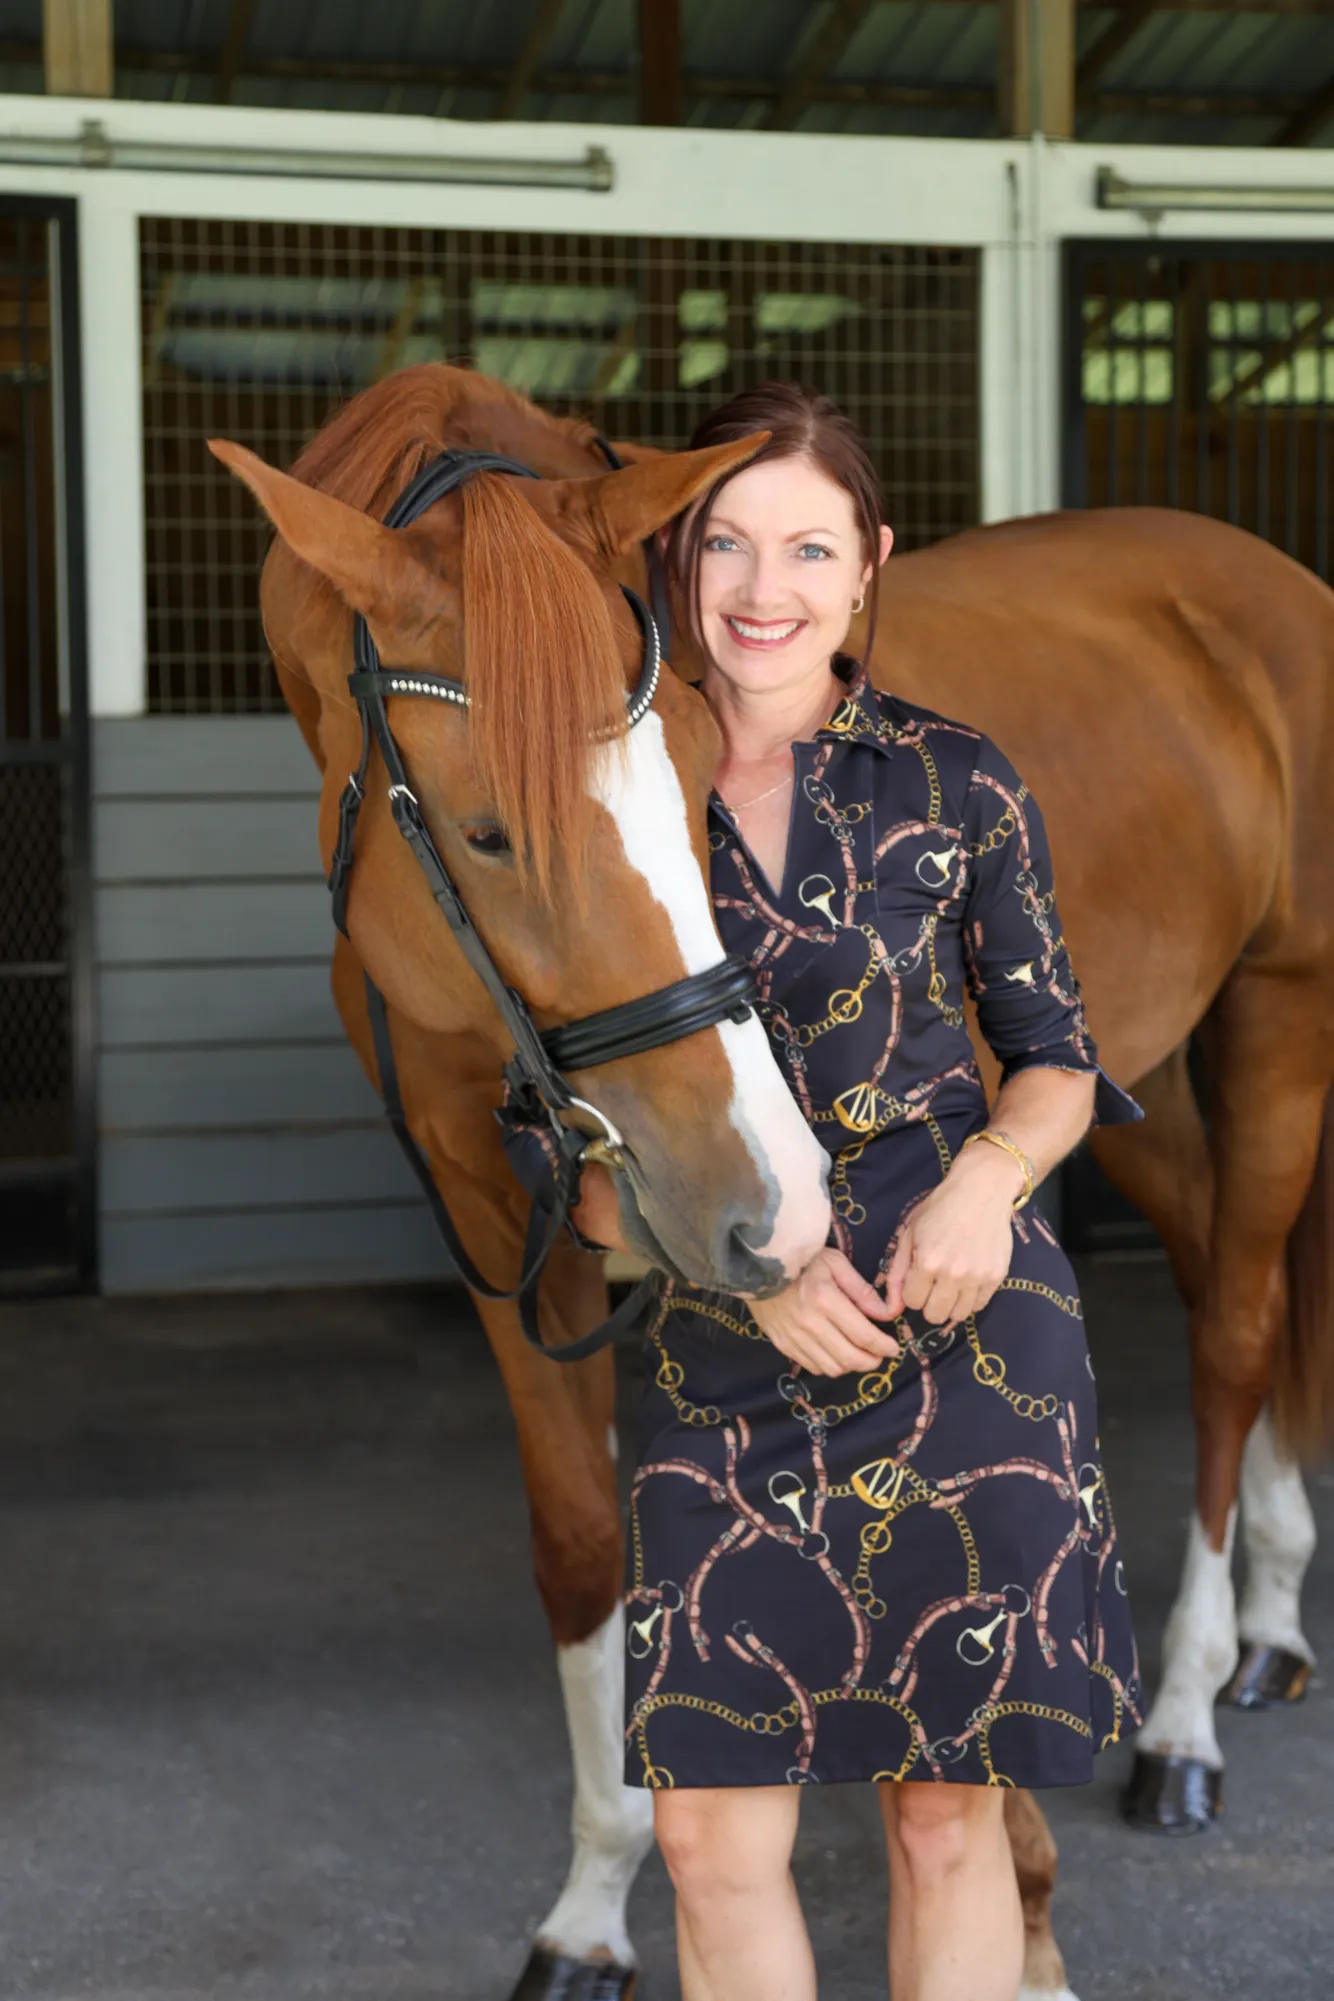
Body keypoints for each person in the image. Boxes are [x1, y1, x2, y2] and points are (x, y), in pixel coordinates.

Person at [503, 383, 1141, 2001]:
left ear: (868, 566)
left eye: (806, 545)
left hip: (969, 1341)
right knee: (715, 1841)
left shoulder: (954, 779)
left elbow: (1054, 1055)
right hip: (724, 1358)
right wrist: (747, 1275)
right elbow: (563, 1147)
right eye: (724, 542)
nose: (761, 587)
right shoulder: (601, 796)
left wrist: (990, 1181)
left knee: (944, 1819)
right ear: (672, 561)